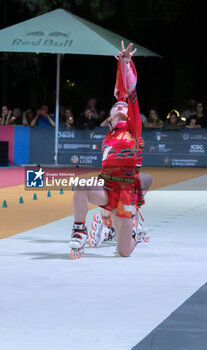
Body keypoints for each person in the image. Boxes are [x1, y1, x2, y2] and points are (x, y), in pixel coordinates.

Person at [69, 41, 152, 259]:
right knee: (81, 184)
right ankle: (80, 231)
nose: (121, 106)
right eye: (117, 106)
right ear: (111, 117)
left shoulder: (134, 130)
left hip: (125, 193)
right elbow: (122, 94)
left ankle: (128, 232)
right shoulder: (108, 136)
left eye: (124, 106)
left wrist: (125, 64)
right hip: (106, 188)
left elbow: (128, 92)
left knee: (124, 252)